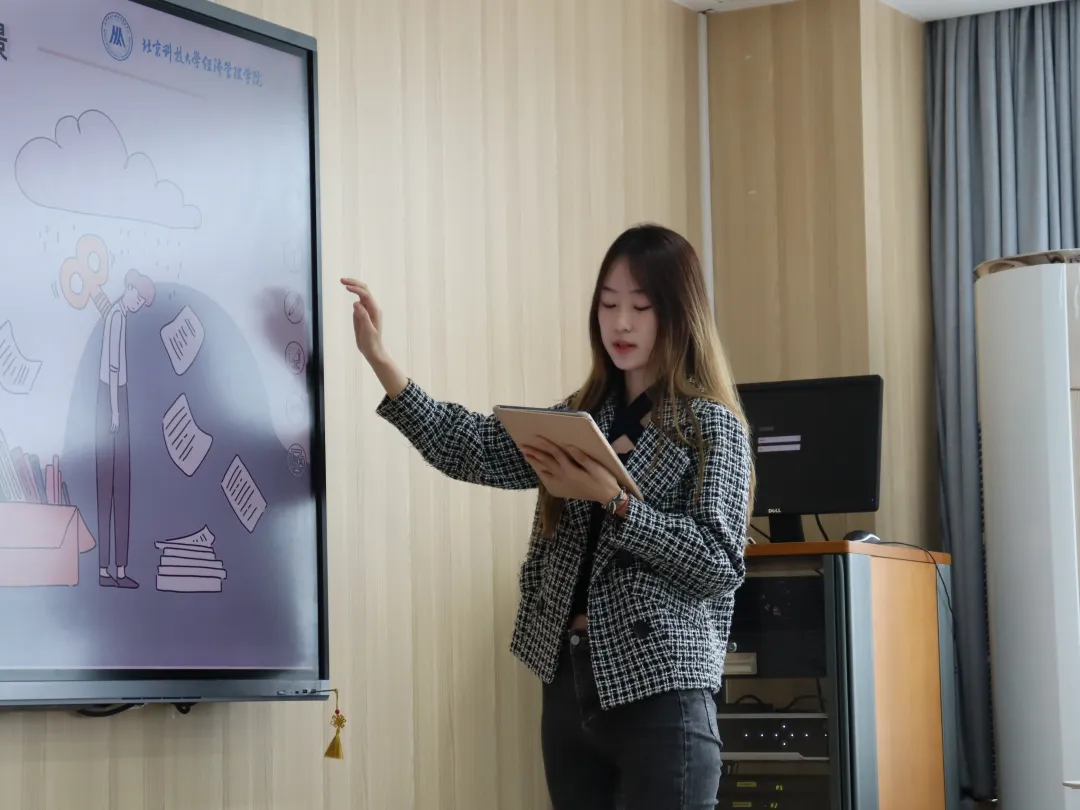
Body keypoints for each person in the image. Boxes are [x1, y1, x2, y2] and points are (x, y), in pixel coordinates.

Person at [341, 223, 754, 810]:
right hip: (568, 685)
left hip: (663, 691)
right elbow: (475, 447)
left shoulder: (710, 425)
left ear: (679, 314)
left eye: (641, 307)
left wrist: (616, 502)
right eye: (608, 304)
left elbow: (718, 563)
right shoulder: (582, 415)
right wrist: (380, 358)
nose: (621, 323)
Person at [96, 269, 155, 589]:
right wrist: (116, 411)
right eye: (139, 298)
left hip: (118, 396)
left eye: (143, 302)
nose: (138, 305)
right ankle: (110, 571)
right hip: (112, 399)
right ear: (129, 288)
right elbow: (113, 367)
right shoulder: (116, 316)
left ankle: (115, 570)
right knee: (111, 485)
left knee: (118, 486)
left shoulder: (120, 315)